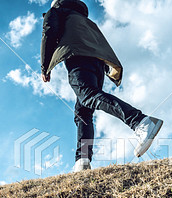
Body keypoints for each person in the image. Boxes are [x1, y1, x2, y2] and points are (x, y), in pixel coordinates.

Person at [41, 0, 163, 172]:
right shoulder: (86, 21)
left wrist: (45, 67)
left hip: (77, 57)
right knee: (82, 112)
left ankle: (141, 122)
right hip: (98, 64)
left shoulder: (57, 12)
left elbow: (48, 32)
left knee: (88, 95)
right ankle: (82, 160)